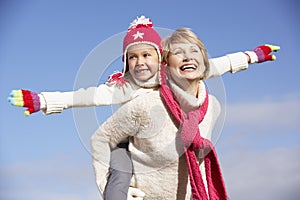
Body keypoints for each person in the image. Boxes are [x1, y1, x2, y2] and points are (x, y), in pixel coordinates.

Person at [8, 16, 279, 200]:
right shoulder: (124, 86)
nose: (140, 62)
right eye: (132, 57)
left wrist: (254, 55)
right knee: (119, 170)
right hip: (125, 141)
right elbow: (87, 96)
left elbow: (216, 64)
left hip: (156, 139)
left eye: (146, 54)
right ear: (126, 63)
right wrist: (44, 100)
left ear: (160, 58)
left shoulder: (173, 75)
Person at [90, 27, 279, 199]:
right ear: (166, 64)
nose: (188, 57)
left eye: (194, 51)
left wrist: (253, 55)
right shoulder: (145, 104)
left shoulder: (212, 107)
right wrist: (111, 187)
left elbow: (200, 164)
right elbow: (100, 139)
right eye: (178, 53)